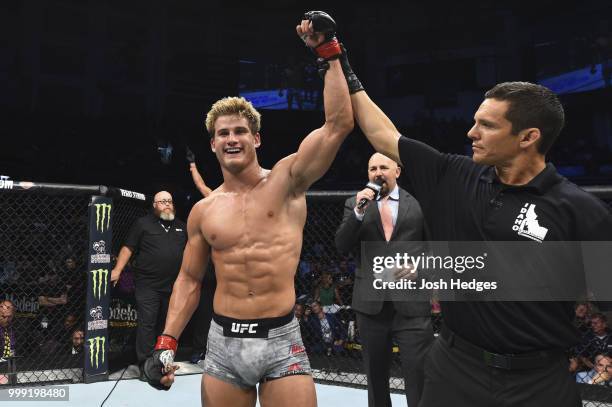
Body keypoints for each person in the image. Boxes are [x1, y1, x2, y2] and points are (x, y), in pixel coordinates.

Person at [332, 22, 612, 406]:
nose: (471, 132)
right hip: (454, 368)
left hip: (539, 381)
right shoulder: (455, 175)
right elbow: (383, 134)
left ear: (528, 137)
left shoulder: (580, 211)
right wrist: (337, 58)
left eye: (486, 125)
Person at [141, 11, 353, 407]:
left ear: (256, 138)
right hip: (224, 343)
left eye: (240, 131)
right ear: (213, 145)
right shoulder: (206, 210)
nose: (231, 138)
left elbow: (338, 124)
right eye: (223, 133)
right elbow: (188, 280)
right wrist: (166, 343)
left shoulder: (288, 181)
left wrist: (328, 50)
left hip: (281, 339)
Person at [335, 152, 432, 407]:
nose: (377, 173)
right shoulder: (354, 204)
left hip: (411, 305)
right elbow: (342, 245)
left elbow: (435, 248)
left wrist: (419, 270)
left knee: (418, 376)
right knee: (376, 380)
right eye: (372, 168)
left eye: (383, 167)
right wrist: (357, 212)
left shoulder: (420, 203)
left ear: (397, 171)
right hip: (371, 306)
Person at [110, 191, 187, 372]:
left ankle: (163, 362)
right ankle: (146, 366)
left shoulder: (182, 227)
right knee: (147, 323)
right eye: (162, 201)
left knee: (168, 325)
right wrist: (117, 269)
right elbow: (129, 247)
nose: (167, 204)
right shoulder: (143, 224)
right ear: (154, 205)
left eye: (169, 201)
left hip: (174, 285)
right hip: (148, 284)